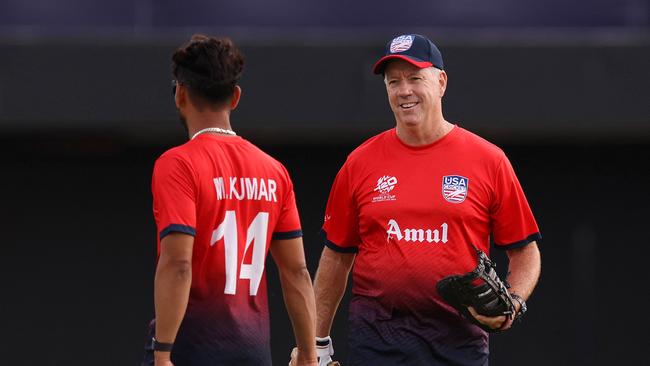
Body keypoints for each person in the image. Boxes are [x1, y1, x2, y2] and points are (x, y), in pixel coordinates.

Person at [308, 34, 542, 365]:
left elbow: (525, 252)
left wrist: (513, 304)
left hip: (459, 345)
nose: (404, 90)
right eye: (394, 82)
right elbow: (336, 260)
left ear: (441, 82)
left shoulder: (489, 160)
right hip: (378, 343)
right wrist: (315, 343)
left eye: (415, 78)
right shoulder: (360, 162)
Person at [141, 35, 318, 366]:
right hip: (252, 354)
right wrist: (309, 356)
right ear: (235, 97)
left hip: (189, 351)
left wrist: (162, 353)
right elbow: (296, 272)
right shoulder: (274, 171)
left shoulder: (177, 164)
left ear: (180, 94)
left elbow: (179, 264)